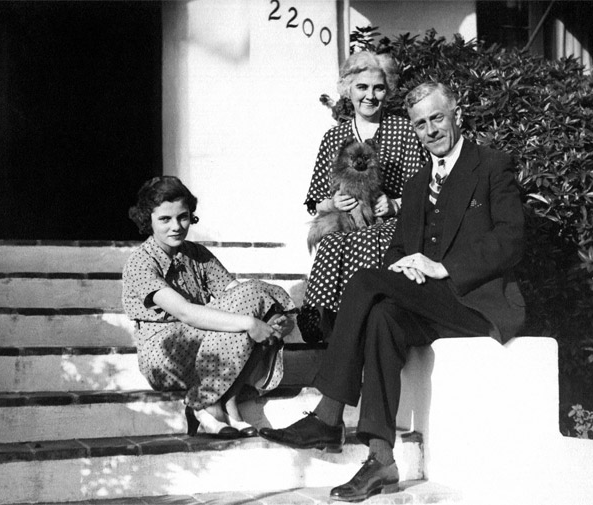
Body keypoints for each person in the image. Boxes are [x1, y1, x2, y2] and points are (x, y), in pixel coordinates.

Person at [260, 82, 526, 502]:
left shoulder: (492, 165)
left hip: (475, 301)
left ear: (457, 114)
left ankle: (329, 414)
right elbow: (401, 249)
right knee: (383, 315)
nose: (430, 130)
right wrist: (403, 264)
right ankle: (381, 459)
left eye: (437, 118)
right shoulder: (420, 182)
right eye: (420, 124)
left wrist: (443, 267)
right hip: (430, 301)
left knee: (366, 281)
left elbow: (511, 239)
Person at [122, 176, 296, 439]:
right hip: (164, 354)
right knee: (247, 311)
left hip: (204, 346)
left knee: (253, 301)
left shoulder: (197, 254)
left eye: (183, 217)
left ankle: (229, 403)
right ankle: (202, 404)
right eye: (165, 219)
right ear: (149, 220)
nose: (176, 226)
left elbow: (236, 293)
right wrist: (251, 323)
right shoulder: (140, 263)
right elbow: (185, 312)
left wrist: (275, 318)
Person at [299, 50, 425, 343]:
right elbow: (316, 199)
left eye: (378, 87)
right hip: (346, 221)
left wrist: (395, 204)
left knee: (371, 242)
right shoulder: (334, 137)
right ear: (348, 89)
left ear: (388, 89)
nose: (370, 95)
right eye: (362, 87)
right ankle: (320, 320)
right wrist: (333, 203)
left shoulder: (404, 131)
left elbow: (421, 192)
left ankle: (365, 327)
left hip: (388, 225)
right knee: (331, 242)